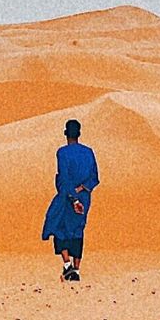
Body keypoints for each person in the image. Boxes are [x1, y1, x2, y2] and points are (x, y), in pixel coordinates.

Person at [42, 118, 99, 281]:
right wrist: (81, 190)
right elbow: (94, 178)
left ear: (66, 134)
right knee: (78, 229)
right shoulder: (88, 152)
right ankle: (76, 269)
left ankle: (67, 265)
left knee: (58, 226)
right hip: (84, 196)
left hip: (67, 197)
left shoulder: (62, 152)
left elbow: (64, 178)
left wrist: (73, 198)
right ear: (79, 134)